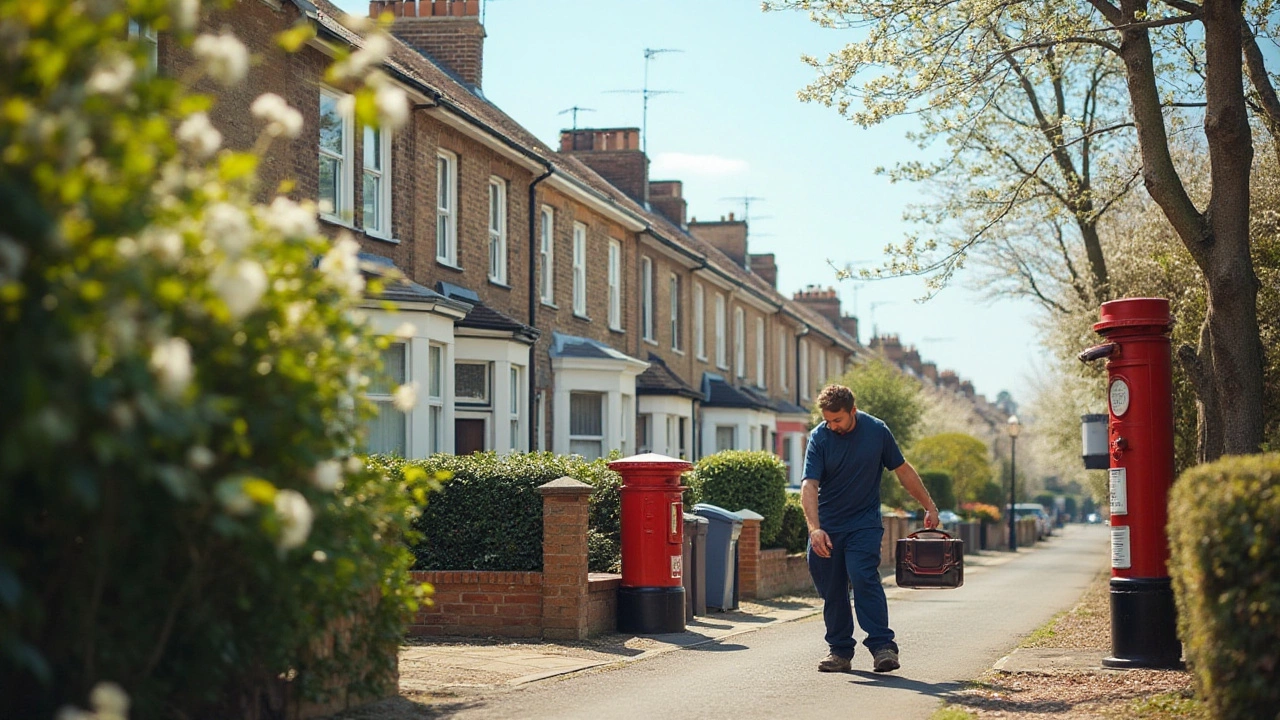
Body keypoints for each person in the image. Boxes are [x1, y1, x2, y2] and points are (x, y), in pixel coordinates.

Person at [802, 384, 939, 674]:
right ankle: (839, 651)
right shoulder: (820, 437)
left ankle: (882, 647)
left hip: (863, 524)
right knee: (833, 590)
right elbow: (809, 485)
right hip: (828, 527)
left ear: (853, 411)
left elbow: (903, 471)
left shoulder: (877, 431)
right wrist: (815, 529)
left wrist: (929, 505)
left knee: (863, 576)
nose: (832, 426)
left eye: (837, 419)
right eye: (828, 420)